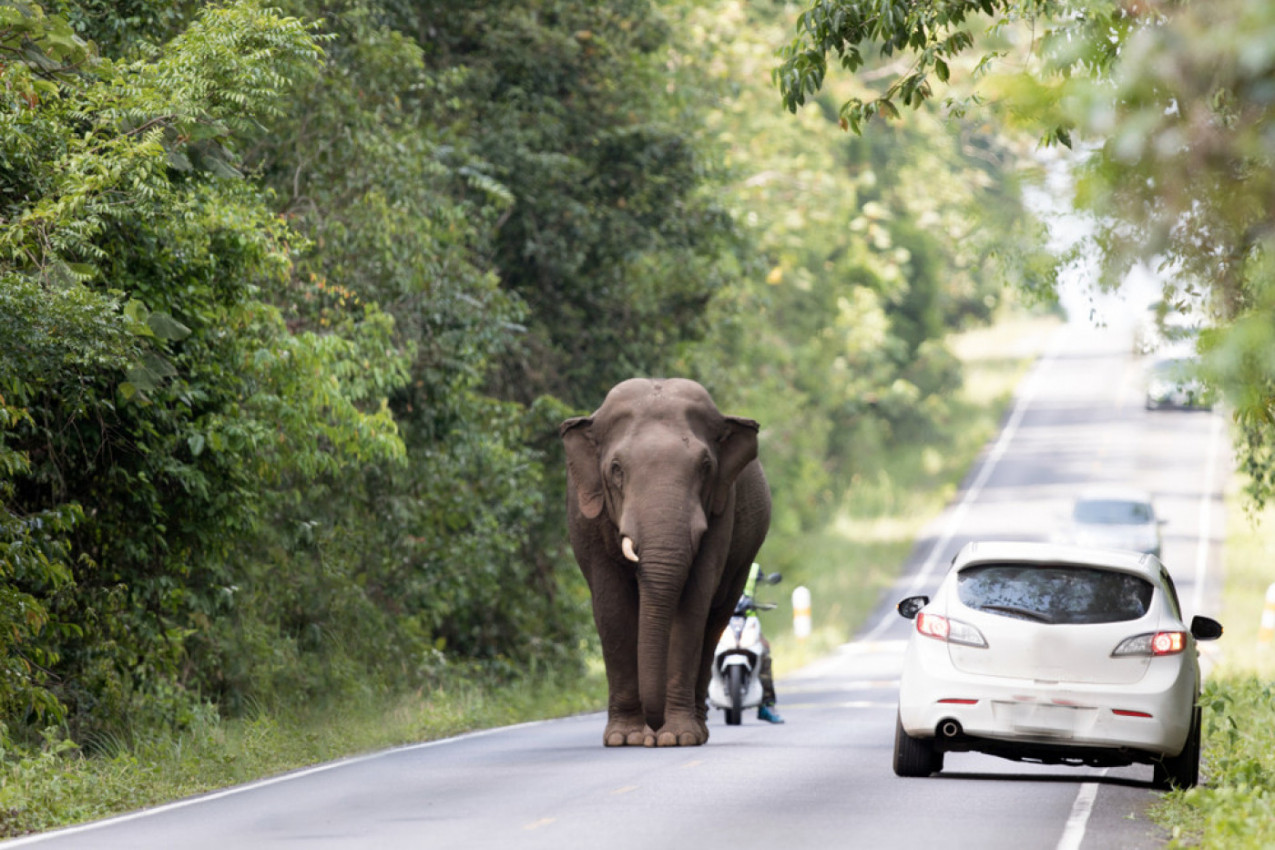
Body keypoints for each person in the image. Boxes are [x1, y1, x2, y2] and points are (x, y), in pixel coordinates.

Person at [742, 562, 784, 724]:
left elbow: (765, 585)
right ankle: (698, 703)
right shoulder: (717, 561)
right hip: (723, 620)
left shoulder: (753, 568)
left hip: (749, 620)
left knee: (763, 655)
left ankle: (767, 705)